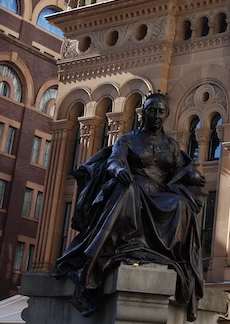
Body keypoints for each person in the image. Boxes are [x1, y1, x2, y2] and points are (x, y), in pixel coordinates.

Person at [54, 92, 206, 321]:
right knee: (127, 192)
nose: (156, 115)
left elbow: (180, 170)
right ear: (143, 112)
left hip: (160, 193)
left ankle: (163, 254)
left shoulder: (171, 145)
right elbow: (114, 160)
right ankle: (94, 264)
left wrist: (193, 176)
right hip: (133, 186)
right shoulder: (127, 140)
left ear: (166, 116)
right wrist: (119, 171)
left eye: (160, 111)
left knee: (182, 203)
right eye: (152, 110)